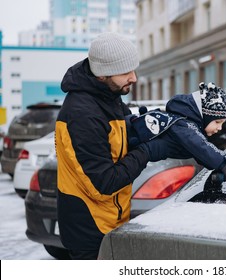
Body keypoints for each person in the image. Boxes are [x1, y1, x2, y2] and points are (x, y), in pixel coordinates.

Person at [55, 32, 171, 260]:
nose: (134, 78)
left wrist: (139, 130)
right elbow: (105, 182)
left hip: (110, 220)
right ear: (102, 74)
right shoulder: (83, 114)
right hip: (91, 231)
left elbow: (117, 145)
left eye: (134, 69)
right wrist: (146, 151)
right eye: (126, 71)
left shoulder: (108, 97)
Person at [126, 82, 226, 188]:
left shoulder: (185, 124)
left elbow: (199, 153)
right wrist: (225, 164)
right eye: (217, 122)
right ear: (205, 116)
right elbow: (200, 146)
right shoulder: (183, 124)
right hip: (122, 146)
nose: (219, 128)